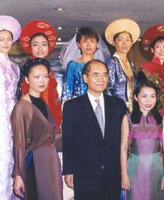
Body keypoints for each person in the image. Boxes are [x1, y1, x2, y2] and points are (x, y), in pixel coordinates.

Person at [62, 59, 127, 200]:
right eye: (96, 75)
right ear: (85, 78)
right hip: (85, 174)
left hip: (113, 174)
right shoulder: (72, 107)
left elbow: (125, 138)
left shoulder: (118, 105)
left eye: (104, 75)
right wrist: (68, 170)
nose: (101, 79)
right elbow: (68, 141)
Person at [11, 58, 63, 200]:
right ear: (27, 79)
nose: (42, 81)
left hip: (51, 160)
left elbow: (51, 135)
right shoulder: (22, 107)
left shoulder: (41, 102)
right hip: (36, 162)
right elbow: (19, 144)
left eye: (46, 76)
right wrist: (18, 175)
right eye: (37, 77)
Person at [120, 79, 164, 199]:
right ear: (136, 97)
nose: (149, 100)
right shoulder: (127, 119)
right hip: (134, 170)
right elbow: (123, 148)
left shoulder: (162, 120)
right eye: (144, 96)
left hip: (156, 170)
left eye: (152, 96)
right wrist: (123, 174)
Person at [19, 19, 62, 133]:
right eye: (35, 45)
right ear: (30, 47)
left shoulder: (49, 70)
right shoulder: (27, 70)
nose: (40, 48)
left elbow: (54, 98)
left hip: (51, 119)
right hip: (36, 120)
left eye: (44, 44)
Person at [0, 15, 21, 200]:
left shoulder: (15, 67)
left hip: (12, 117)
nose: (5, 43)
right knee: (1, 161)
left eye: (8, 39)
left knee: (12, 161)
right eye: (1, 39)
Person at [61, 27, 110, 101]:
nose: (88, 45)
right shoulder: (73, 65)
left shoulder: (101, 65)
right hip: (78, 104)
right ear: (78, 44)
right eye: (85, 41)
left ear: (97, 44)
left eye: (92, 41)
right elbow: (68, 89)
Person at [138, 24, 164, 115]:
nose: (162, 50)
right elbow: (140, 93)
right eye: (158, 47)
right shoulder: (145, 69)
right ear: (152, 50)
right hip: (151, 112)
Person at [105, 18, 140, 111]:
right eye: (120, 39)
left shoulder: (131, 64)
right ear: (114, 42)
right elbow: (107, 89)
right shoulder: (111, 62)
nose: (124, 43)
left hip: (132, 109)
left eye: (128, 40)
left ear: (131, 43)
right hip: (116, 109)